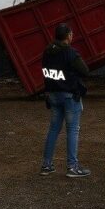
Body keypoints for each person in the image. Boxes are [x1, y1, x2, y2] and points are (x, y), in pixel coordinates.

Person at [40, 23, 90, 178]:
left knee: (54, 129)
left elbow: (46, 72)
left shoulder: (47, 52)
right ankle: (72, 167)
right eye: (71, 33)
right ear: (68, 35)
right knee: (72, 130)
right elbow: (85, 71)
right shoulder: (70, 52)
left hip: (53, 94)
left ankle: (46, 165)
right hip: (69, 95)